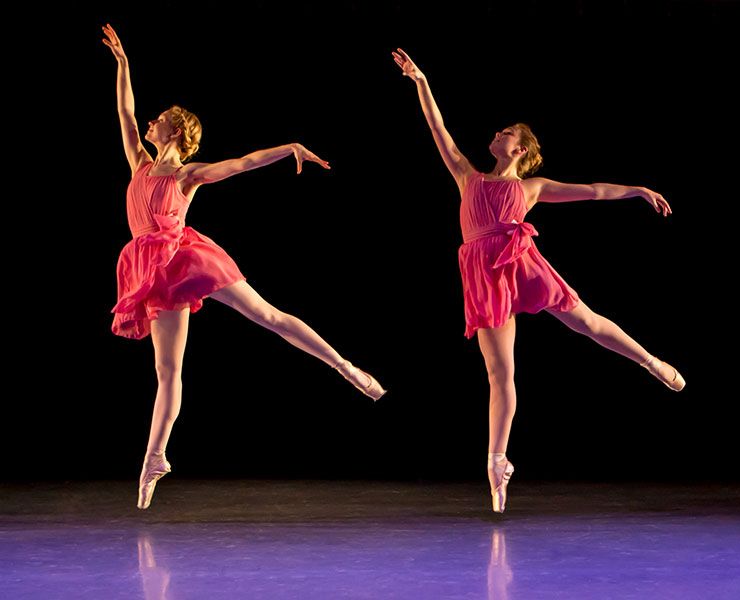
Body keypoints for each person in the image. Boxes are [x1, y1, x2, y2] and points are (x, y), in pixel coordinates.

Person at [103, 24, 386, 509]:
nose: (150, 122)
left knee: (268, 316)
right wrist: (124, 64)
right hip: (152, 268)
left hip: (186, 256)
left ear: (176, 131)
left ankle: (346, 367)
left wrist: (289, 147)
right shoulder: (139, 164)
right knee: (167, 370)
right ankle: (155, 458)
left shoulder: (188, 174)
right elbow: (125, 114)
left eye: (160, 119)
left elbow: (242, 162)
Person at [394, 48, 685, 512]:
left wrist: (637, 190)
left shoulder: (531, 187)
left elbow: (593, 191)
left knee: (587, 322)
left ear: (521, 150)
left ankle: (650, 361)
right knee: (500, 373)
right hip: (484, 273)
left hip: (520, 261)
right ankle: (497, 464)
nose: (497, 133)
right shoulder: (467, 175)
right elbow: (437, 128)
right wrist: (421, 81)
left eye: (506, 132)